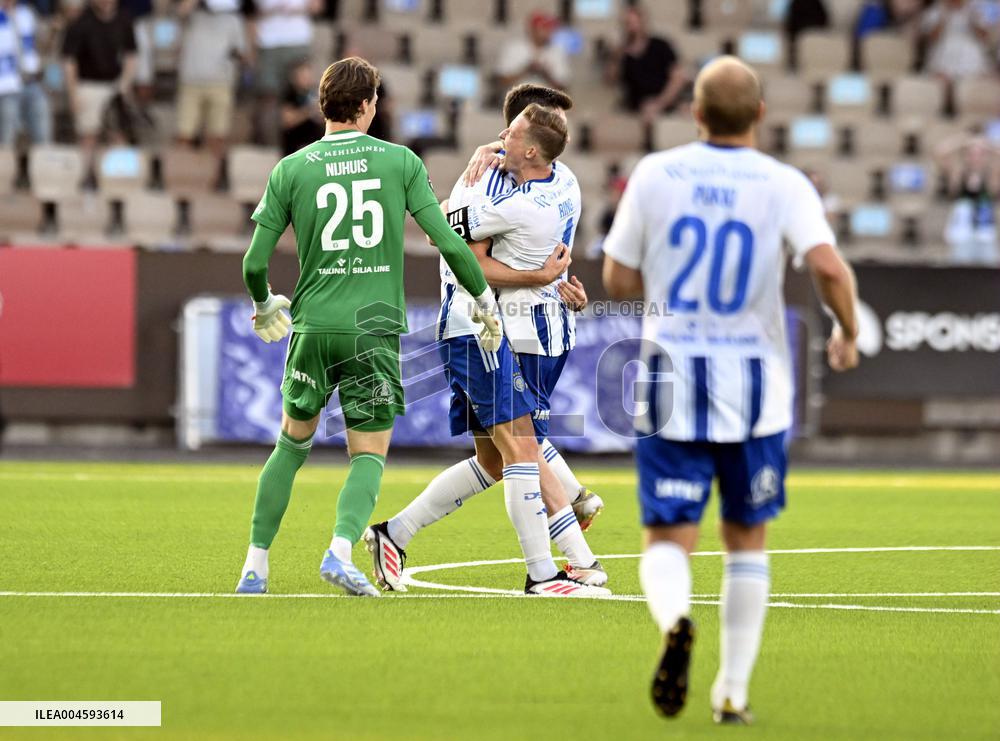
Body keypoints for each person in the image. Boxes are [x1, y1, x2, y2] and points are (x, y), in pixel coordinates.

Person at [602, 56, 859, 724]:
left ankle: (678, 620)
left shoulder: (658, 173)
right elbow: (829, 267)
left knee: (666, 537)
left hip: (668, 378)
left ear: (695, 112)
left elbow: (618, 279)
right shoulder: (784, 183)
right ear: (761, 115)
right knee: (746, 539)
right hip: (757, 387)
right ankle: (732, 693)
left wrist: (661, 281)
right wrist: (848, 329)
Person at [235, 57, 500, 597]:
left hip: (311, 328)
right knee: (369, 454)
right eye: (375, 98)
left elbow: (254, 264)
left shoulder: (290, 168)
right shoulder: (400, 162)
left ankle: (254, 567)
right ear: (366, 106)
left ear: (324, 105)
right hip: (371, 332)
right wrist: (484, 300)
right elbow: (448, 242)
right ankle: (338, 550)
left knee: (290, 446)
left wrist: (264, 305)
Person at [366, 85, 607, 595]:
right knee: (520, 445)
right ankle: (558, 568)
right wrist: (548, 279)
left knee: (502, 456)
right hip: (492, 331)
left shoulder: (505, 195)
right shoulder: (566, 183)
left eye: (513, 132)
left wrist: (547, 278)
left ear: (528, 149)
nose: (501, 137)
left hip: (502, 329)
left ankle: (395, 532)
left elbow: (437, 232)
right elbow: (465, 247)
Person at [61, 0, 137, 182]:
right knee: (88, 135)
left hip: (114, 86)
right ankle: (86, 178)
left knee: (119, 134)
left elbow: (131, 54)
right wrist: (73, 93)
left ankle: (119, 182)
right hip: (87, 85)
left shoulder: (124, 19)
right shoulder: (81, 22)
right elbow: (69, 60)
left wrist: (124, 85)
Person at [175, 0, 248, 166]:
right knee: (184, 132)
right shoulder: (191, 15)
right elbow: (180, 12)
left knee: (217, 134)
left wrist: (235, 57)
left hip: (221, 82)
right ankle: (183, 173)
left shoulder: (234, 19)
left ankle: (213, 176)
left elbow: (241, 52)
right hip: (191, 81)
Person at [605, 3, 688, 124]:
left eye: (635, 22)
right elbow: (610, 80)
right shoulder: (621, 53)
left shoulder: (661, 45)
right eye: (628, 23)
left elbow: (678, 78)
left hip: (664, 105)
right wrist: (616, 56)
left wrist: (659, 104)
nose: (632, 27)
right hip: (633, 110)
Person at [935, 127, 1000, 265]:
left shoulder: (990, 178)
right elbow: (940, 152)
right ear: (966, 155)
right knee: (959, 274)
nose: (975, 157)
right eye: (971, 154)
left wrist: (985, 143)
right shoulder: (958, 176)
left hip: (985, 234)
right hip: (962, 234)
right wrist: (964, 141)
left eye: (979, 154)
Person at [919, 0, 994, 82]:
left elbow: (984, 38)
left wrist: (973, 18)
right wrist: (944, 15)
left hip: (971, 53)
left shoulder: (976, 8)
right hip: (942, 52)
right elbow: (932, 38)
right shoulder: (936, 10)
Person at [496, 11, 569, 91]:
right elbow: (502, 81)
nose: (548, 32)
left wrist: (545, 74)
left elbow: (562, 88)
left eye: (550, 28)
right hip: (518, 100)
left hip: (546, 102)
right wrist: (527, 69)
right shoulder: (514, 48)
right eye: (544, 28)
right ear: (532, 29)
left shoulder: (557, 51)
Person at [279, 59, 323, 155]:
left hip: (313, 148)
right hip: (295, 148)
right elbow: (288, 120)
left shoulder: (314, 93)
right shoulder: (290, 95)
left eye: (309, 75)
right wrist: (308, 110)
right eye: (303, 76)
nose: (307, 79)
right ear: (295, 77)